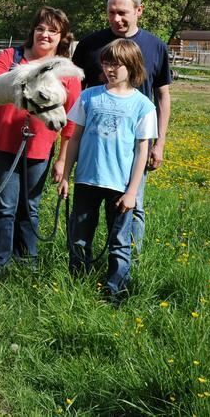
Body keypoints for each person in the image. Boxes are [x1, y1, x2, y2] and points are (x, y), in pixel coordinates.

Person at [0, 7, 81, 273]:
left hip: (39, 148)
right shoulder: (11, 57)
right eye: (41, 28)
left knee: (30, 207)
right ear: (32, 31)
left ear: (61, 36)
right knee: (4, 205)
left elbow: (72, 120)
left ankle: (26, 262)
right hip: (1, 142)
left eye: (53, 31)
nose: (45, 35)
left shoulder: (66, 71)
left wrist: (63, 160)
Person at [71, 0, 171, 251]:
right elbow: (75, 92)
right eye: (111, 12)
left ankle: (129, 262)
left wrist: (158, 143)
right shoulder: (89, 45)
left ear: (139, 11)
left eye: (123, 13)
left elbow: (162, 96)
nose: (116, 19)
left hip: (135, 143)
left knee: (133, 203)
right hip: (95, 146)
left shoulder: (156, 46)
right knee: (86, 210)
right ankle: (83, 262)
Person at [60, 39, 156, 302]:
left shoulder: (143, 106)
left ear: (132, 66)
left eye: (117, 64)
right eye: (107, 62)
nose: (110, 68)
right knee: (79, 239)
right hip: (87, 180)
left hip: (120, 187)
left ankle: (116, 292)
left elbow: (142, 152)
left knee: (120, 244)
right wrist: (66, 175)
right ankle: (76, 285)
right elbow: (75, 137)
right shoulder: (88, 96)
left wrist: (132, 191)